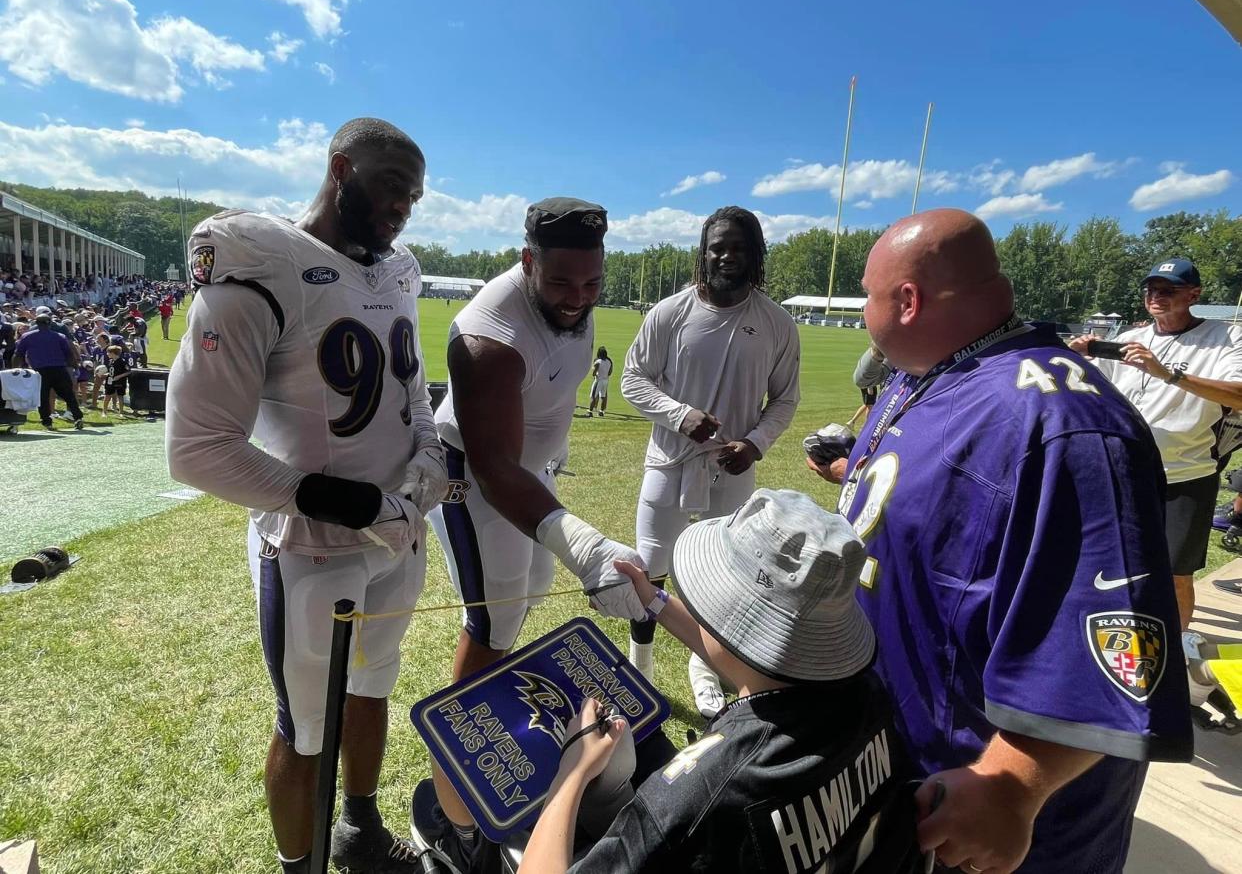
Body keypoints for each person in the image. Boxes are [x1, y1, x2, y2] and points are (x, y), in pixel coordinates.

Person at [807, 209, 1192, 873]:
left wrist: (1013, 787)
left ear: (907, 300)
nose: (862, 314)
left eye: (866, 297)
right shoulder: (928, 373)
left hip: (995, 818)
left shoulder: (1066, 421)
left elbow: (1114, 640)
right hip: (911, 770)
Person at [167, 118, 448, 874]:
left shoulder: (397, 271)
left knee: (374, 684)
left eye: (414, 198)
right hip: (310, 546)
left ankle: (358, 827)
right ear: (339, 168)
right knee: (304, 727)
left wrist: (427, 457)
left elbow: (411, 390)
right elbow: (196, 449)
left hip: (398, 533)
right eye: (394, 187)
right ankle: (302, 867)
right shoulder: (266, 260)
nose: (404, 208)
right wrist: (344, 501)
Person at [416, 198, 649, 872]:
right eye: (560, 284)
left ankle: (499, 762)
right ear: (526, 262)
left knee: (526, 598)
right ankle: (456, 820)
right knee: (491, 624)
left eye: (591, 284)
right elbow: (493, 467)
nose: (577, 300)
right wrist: (583, 543)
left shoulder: (569, 293)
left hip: (529, 475)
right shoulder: (488, 335)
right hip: (479, 481)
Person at [518, 489, 919, 874]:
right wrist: (653, 600)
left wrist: (574, 769)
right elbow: (749, 655)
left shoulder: (696, 796)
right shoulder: (869, 697)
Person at [620, 206, 799, 707]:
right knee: (650, 569)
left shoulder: (777, 323)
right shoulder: (670, 313)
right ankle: (642, 668)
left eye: (739, 247)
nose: (727, 256)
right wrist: (679, 415)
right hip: (669, 463)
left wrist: (757, 443)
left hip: (732, 470)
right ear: (703, 252)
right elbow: (633, 379)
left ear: (757, 254)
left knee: (725, 574)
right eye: (718, 246)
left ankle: (706, 671)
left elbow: (785, 398)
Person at [1068, 258, 1242, 639]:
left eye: (1168, 290)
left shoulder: (1225, 338)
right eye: (1150, 289)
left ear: (1194, 294)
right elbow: (1097, 392)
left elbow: (1239, 396)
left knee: (1177, 574)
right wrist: (1081, 359)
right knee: (1117, 564)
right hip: (1126, 471)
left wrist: (1168, 373)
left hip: (1187, 474)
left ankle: (1175, 652)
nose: (1155, 297)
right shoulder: (1135, 340)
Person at [13, 305, 84, 430]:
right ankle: (78, 417)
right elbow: (69, 354)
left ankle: (47, 421)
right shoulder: (59, 336)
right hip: (59, 369)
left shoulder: (27, 336)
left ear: (36, 323)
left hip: (39, 371)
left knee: (43, 397)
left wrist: (14, 369)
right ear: (50, 323)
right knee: (68, 395)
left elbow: (18, 355)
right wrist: (75, 367)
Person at [587, 346, 612, 417]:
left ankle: (590, 411)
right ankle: (601, 411)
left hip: (598, 380)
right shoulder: (609, 361)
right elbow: (610, 372)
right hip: (606, 380)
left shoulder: (598, 362)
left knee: (593, 396)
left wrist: (595, 374)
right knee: (603, 396)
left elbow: (594, 373)